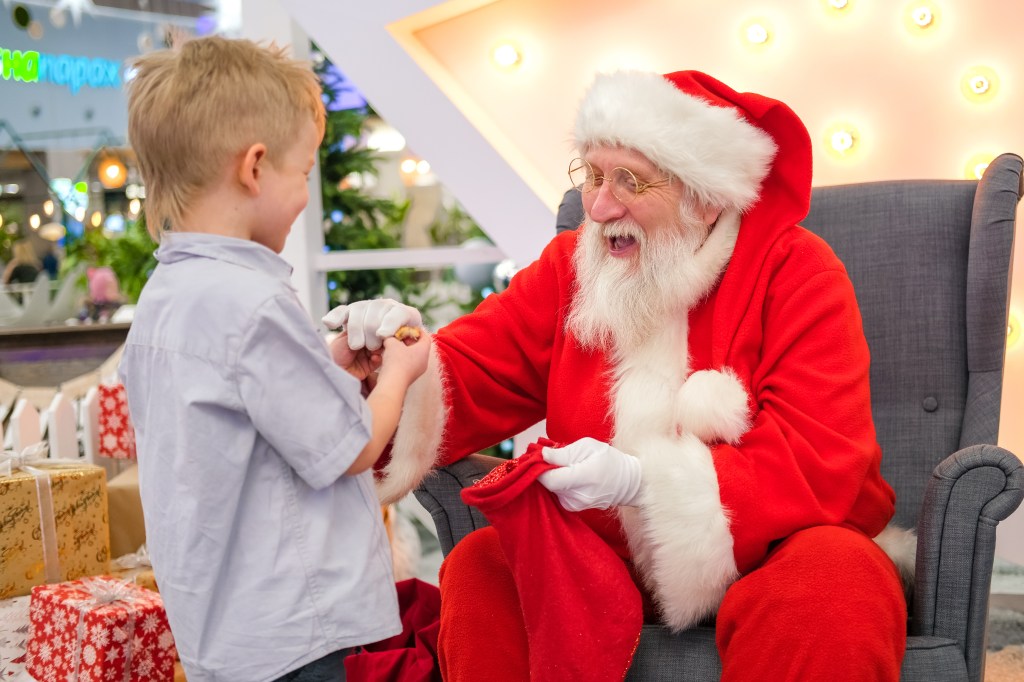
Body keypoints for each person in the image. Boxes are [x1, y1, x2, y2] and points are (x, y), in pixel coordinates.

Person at [327, 69, 914, 681]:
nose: (600, 207)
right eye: (593, 174)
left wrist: (643, 484)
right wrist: (392, 364)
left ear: (704, 196)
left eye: (628, 181)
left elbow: (822, 457)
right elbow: (473, 371)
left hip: (773, 548)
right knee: (485, 565)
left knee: (832, 583)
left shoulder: (799, 273)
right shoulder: (571, 268)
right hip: (605, 546)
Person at [117, 36, 430, 682]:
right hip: (295, 631)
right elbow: (351, 449)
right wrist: (398, 375)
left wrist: (330, 365)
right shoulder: (254, 303)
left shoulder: (166, 298)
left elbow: (249, 413)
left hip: (224, 632)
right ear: (255, 167)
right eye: (305, 173)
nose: (303, 195)